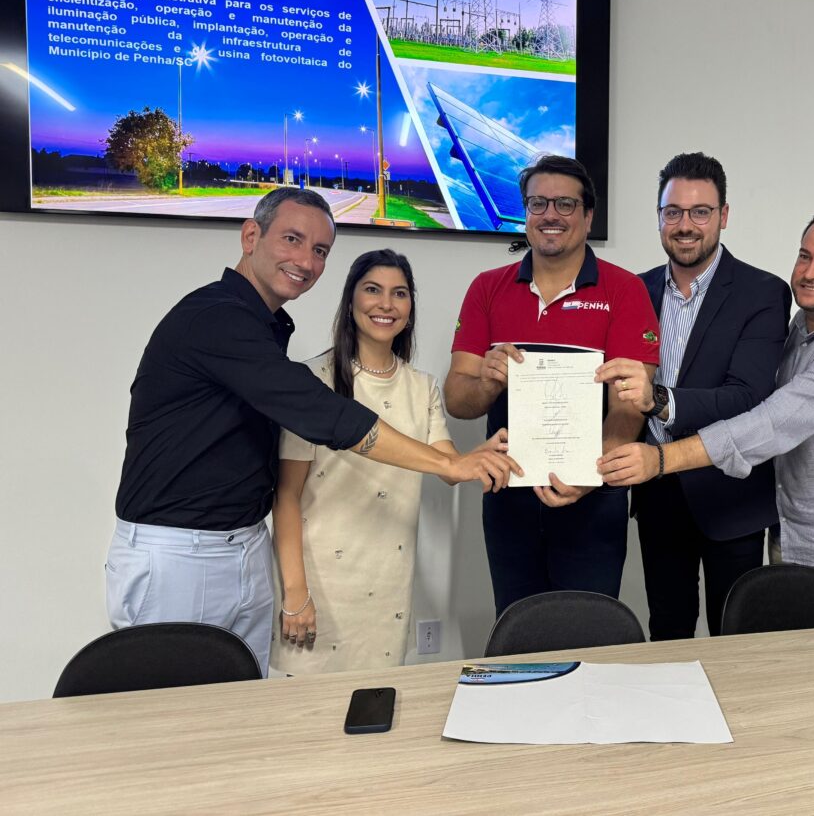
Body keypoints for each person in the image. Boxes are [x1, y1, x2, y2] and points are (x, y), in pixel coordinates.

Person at [109, 188, 517, 674]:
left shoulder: (269, 326)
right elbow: (324, 415)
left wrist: (470, 460)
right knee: (172, 710)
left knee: (244, 707)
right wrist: (450, 461)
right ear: (250, 236)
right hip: (181, 554)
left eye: (320, 250)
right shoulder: (216, 318)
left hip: (245, 545)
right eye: (292, 239)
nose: (305, 260)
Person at [600, 206, 814, 624]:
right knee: (785, 663)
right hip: (793, 539)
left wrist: (661, 458)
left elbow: (770, 424)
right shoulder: (803, 326)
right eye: (805, 256)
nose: (810, 272)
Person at [444, 155, 660, 617]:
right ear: (525, 212)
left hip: (593, 496)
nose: (550, 215)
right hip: (509, 495)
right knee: (518, 625)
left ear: (588, 215)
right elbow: (457, 400)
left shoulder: (624, 290)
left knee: (589, 629)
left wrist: (590, 473)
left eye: (565, 203)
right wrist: (487, 382)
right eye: (537, 203)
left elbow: (630, 406)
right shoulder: (487, 288)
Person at [595, 153, 790, 640]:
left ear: (724, 215)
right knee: (667, 631)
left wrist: (657, 399)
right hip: (656, 493)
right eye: (673, 212)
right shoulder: (634, 290)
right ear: (659, 216)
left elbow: (747, 398)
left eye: (700, 212)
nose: (685, 225)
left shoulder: (763, 292)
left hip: (731, 497)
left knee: (735, 638)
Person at [271, 249, 466, 673]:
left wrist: (490, 454)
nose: (386, 304)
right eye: (373, 290)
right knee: (307, 705)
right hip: (318, 581)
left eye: (400, 293)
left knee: (376, 700)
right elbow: (286, 496)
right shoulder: (312, 382)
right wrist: (295, 592)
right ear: (351, 301)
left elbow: (450, 468)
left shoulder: (423, 387)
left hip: (388, 581)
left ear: (410, 309)